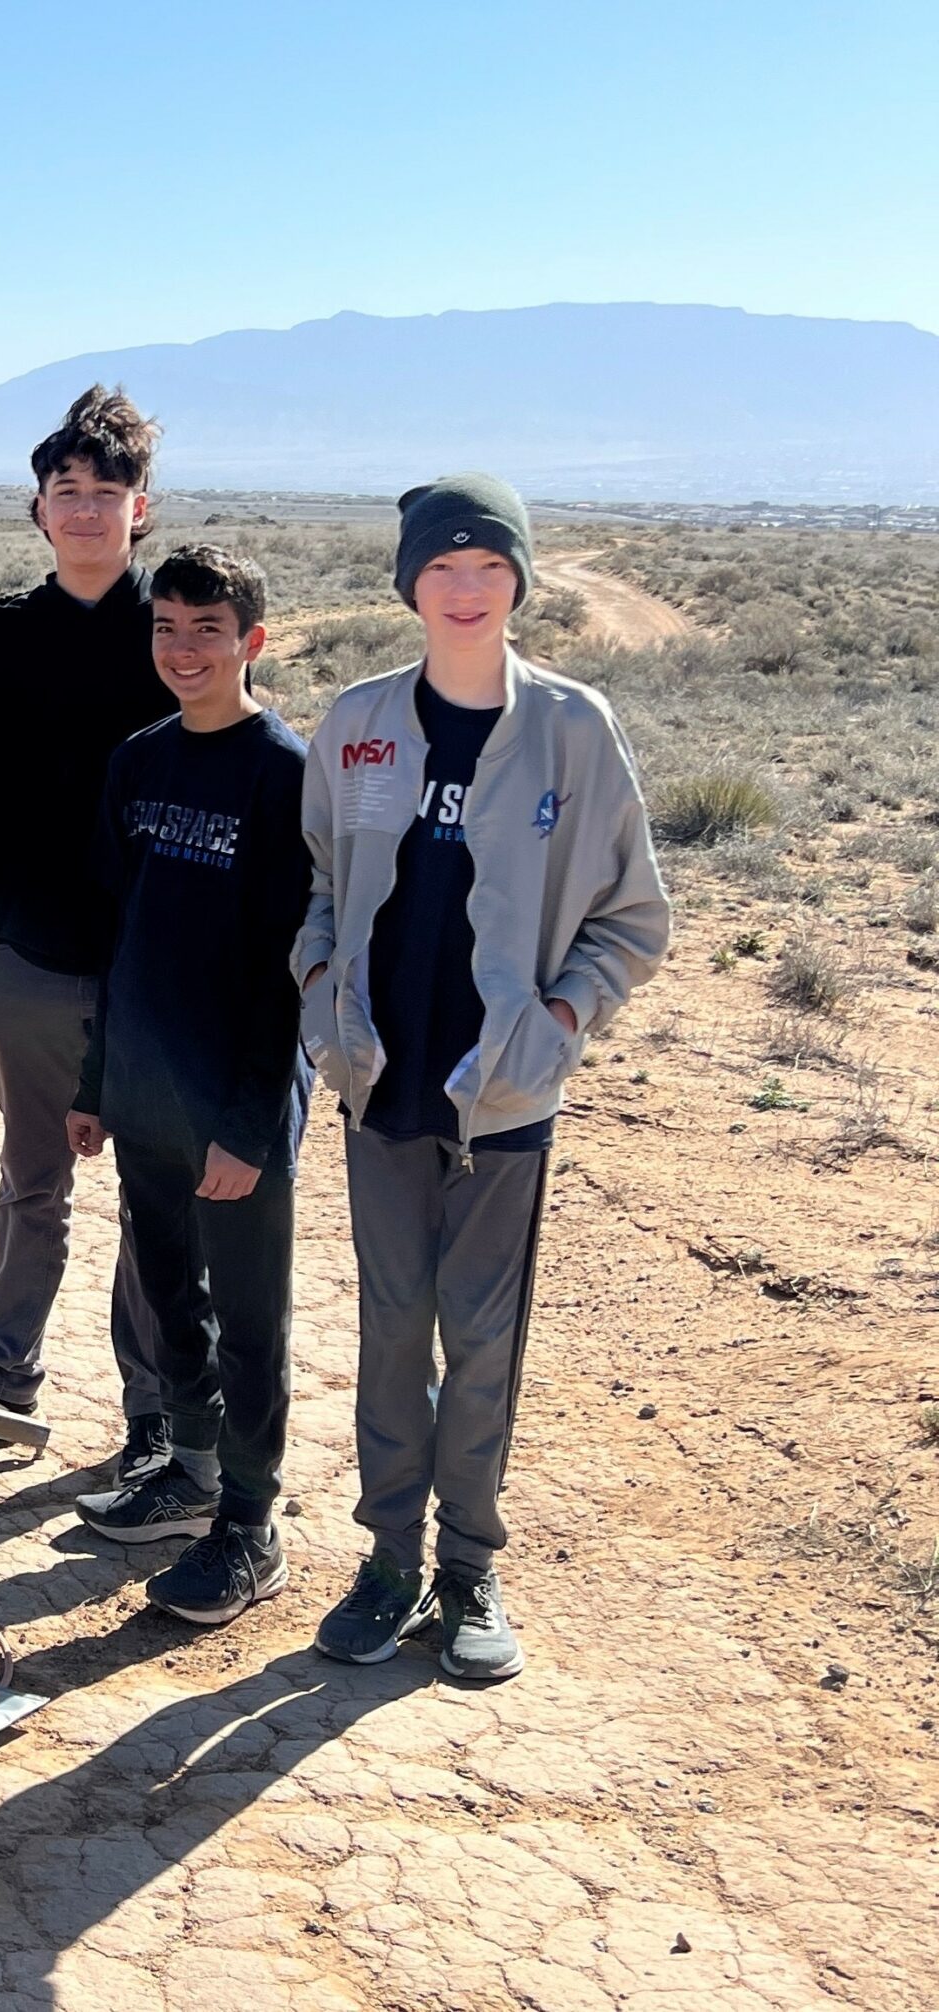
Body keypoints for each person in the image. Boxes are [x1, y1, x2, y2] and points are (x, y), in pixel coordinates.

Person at [300, 475, 669, 1681]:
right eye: (441, 569)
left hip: (504, 1094)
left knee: (483, 1335)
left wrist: (560, 1016)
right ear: (409, 584)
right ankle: (387, 1558)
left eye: (487, 568)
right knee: (391, 1326)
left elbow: (632, 916)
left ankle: (468, 1569)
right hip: (379, 1082)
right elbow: (310, 888)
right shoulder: (356, 720)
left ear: (517, 580)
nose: (465, 591)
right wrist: (320, 999)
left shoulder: (571, 727)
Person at [0, 386, 173, 1481]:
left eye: (106, 492)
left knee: (157, 1192)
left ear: (138, 507)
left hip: (155, 970)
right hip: (28, 960)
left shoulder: (174, 632)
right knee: (31, 1179)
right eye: (69, 492)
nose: (87, 509)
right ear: (39, 508)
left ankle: (155, 1410)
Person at [65, 545, 308, 1625]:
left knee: (250, 1318)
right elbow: (119, 939)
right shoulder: (138, 762)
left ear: (251, 641)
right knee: (171, 1295)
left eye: (207, 629)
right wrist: (94, 1080)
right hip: (144, 1094)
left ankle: (250, 1527)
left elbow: (286, 976)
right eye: (166, 627)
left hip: (236, 1107)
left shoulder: (286, 773)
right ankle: (193, 1468)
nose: (183, 649)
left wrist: (248, 1124)